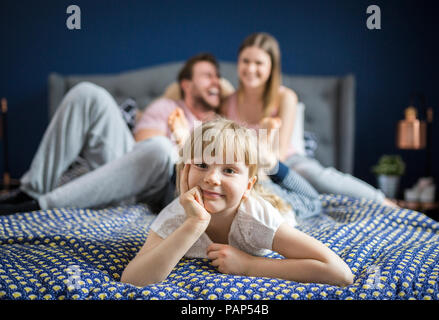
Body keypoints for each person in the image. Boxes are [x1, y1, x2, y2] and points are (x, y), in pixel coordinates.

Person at [120, 119, 354, 287]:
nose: (211, 178)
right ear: (184, 171)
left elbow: (340, 273)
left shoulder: (258, 220)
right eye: (202, 165)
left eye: (228, 169)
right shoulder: (177, 216)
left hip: (282, 203)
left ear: (247, 186)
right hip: (242, 190)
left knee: (310, 201)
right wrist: (194, 224)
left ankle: (271, 160)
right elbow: (132, 279)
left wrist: (250, 266)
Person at [0, 53, 224, 215]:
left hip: (164, 190)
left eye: (218, 77)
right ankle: (31, 191)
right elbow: (140, 151)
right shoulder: (165, 107)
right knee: (87, 93)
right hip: (132, 173)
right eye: (208, 76)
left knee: (163, 148)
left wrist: (183, 142)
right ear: (187, 85)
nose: (217, 82)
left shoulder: (222, 122)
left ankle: (40, 206)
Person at [221, 32, 393, 205]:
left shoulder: (285, 97)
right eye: (246, 61)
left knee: (318, 178)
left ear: (272, 67)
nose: (250, 69)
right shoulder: (227, 102)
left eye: (259, 63)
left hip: (286, 162)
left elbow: (280, 153)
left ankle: (385, 203)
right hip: (245, 168)